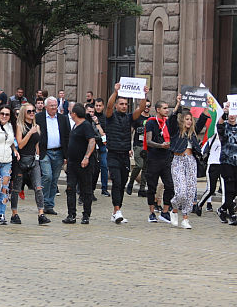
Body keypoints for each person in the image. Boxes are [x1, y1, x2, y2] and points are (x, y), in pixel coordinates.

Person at [104, 83, 148, 223]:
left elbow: (141, 108)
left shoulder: (129, 118)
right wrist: (115, 91)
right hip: (113, 154)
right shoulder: (110, 116)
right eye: (121, 104)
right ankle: (118, 211)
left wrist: (143, 94)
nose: (124, 106)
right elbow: (109, 106)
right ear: (117, 105)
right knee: (116, 181)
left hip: (124, 155)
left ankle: (116, 211)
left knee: (122, 183)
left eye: (125, 104)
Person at [9, 102, 50, 225]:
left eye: (33, 111)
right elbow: (20, 144)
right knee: (16, 189)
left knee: (38, 187)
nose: (32, 113)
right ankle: (14, 214)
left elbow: (36, 144)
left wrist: (38, 157)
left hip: (33, 160)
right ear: (23, 113)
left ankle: (41, 214)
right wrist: (30, 133)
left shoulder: (36, 126)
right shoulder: (19, 126)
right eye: (29, 111)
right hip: (21, 160)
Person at [169, 105, 203, 229]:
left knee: (190, 191)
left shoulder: (192, 134)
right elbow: (172, 120)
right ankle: (174, 208)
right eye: (187, 119)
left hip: (191, 162)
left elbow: (203, 119)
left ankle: (185, 218)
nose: (189, 121)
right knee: (181, 191)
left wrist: (206, 107)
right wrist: (177, 105)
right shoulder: (175, 131)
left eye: (190, 119)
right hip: (178, 161)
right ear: (182, 120)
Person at [143, 100, 176, 224]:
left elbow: (174, 115)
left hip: (166, 158)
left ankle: (165, 212)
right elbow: (148, 141)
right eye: (164, 108)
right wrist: (161, 146)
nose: (167, 110)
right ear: (158, 110)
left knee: (170, 186)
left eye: (167, 108)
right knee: (152, 186)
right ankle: (152, 212)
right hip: (154, 158)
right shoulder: (151, 122)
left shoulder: (168, 122)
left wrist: (177, 103)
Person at [37, 95, 70, 215]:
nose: (54, 108)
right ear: (46, 107)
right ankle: (43, 202)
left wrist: (67, 155)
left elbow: (67, 136)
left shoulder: (63, 118)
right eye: (51, 106)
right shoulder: (39, 117)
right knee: (47, 176)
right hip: (45, 152)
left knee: (54, 179)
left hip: (59, 152)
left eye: (55, 106)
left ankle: (49, 205)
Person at [62, 103, 95, 224]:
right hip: (72, 163)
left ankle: (86, 215)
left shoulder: (86, 125)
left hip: (83, 164)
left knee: (86, 190)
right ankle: (71, 214)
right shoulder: (75, 126)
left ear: (74, 113)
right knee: (70, 188)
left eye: (71, 112)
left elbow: (92, 141)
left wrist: (86, 157)